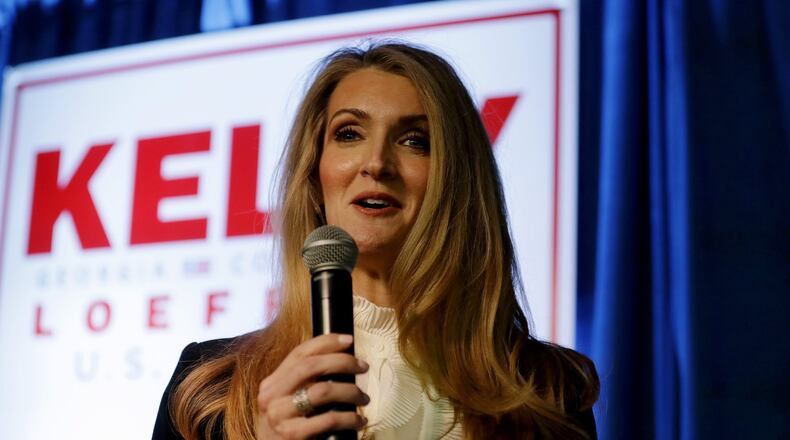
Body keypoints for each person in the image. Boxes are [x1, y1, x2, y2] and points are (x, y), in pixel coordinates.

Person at [152, 42, 599, 440]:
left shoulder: (546, 388)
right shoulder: (208, 388)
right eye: (349, 134)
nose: (377, 163)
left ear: (456, 180)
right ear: (314, 177)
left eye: (414, 140)